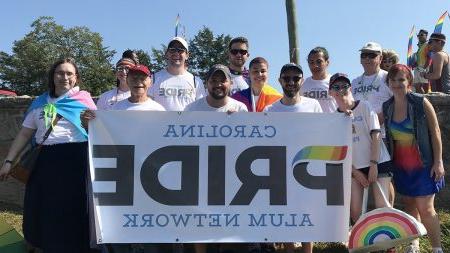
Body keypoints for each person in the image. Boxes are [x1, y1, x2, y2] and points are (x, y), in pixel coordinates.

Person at [0, 58, 97, 253]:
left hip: (76, 158)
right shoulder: (40, 103)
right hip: (45, 160)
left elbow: (98, 131)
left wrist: (90, 123)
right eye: (60, 73)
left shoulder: (84, 101)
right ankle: (44, 245)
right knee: (42, 204)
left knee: (74, 205)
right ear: (53, 77)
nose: (65, 77)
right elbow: (25, 134)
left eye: (69, 73)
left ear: (76, 77)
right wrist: (9, 161)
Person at [185, 64, 247, 253]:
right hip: (201, 174)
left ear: (230, 83)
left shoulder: (241, 109)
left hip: (233, 178)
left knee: (230, 226)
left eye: (222, 80)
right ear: (206, 83)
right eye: (213, 80)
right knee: (200, 224)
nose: (218, 84)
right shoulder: (191, 109)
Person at [383, 64, 445, 253]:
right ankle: (414, 243)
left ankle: (437, 249)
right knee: (410, 204)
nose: (396, 84)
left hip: (424, 166)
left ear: (408, 81)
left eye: (401, 79)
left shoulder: (420, 102)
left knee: (426, 209)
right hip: (402, 167)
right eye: (393, 80)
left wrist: (438, 161)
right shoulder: (387, 106)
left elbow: (435, 132)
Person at [264, 63, 321, 253]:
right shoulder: (270, 110)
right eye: (286, 78)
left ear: (302, 81)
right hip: (280, 169)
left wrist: (345, 117)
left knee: (307, 212)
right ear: (280, 81)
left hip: (307, 167)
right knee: (285, 212)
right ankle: (288, 249)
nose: (291, 82)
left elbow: (325, 133)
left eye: (295, 78)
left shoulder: (313, 105)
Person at [328, 73, 392, 220]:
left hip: (378, 161)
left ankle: (389, 241)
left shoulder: (364, 106)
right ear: (330, 92)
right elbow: (337, 152)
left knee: (382, 205)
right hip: (355, 167)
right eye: (336, 87)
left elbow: (375, 135)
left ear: (350, 88)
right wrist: (356, 173)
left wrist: (373, 165)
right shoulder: (333, 119)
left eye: (344, 86)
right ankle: (362, 241)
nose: (341, 90)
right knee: (356, 211)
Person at [148, 36, 206, 111]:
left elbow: (202, 109)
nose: (176, 53)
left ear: (187, 55)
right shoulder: (153, 79)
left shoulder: (196, 82)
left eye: (180, 50)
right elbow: (146, 106)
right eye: (172, 50)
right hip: (160, 122)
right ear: (166, 54)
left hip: (188, 122)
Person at [300, 46, 337, 113]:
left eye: (319, 62)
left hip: (332, 122)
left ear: (327, 62)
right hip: (309, 123)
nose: (315, 65)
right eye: (311, 62)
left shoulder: (336, 83)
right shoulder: (302, 85)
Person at [412, 29, 432, 94]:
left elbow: (429, 57)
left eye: (421, 35)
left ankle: (427, 100)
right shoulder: (420, 46)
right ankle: (420, 100)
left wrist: (425, 68)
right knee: (417, 86)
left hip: (424, 67)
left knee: (425, 86)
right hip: (418, 68)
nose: (419, 36)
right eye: (418, 35)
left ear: (426, 36)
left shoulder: (428, 44)